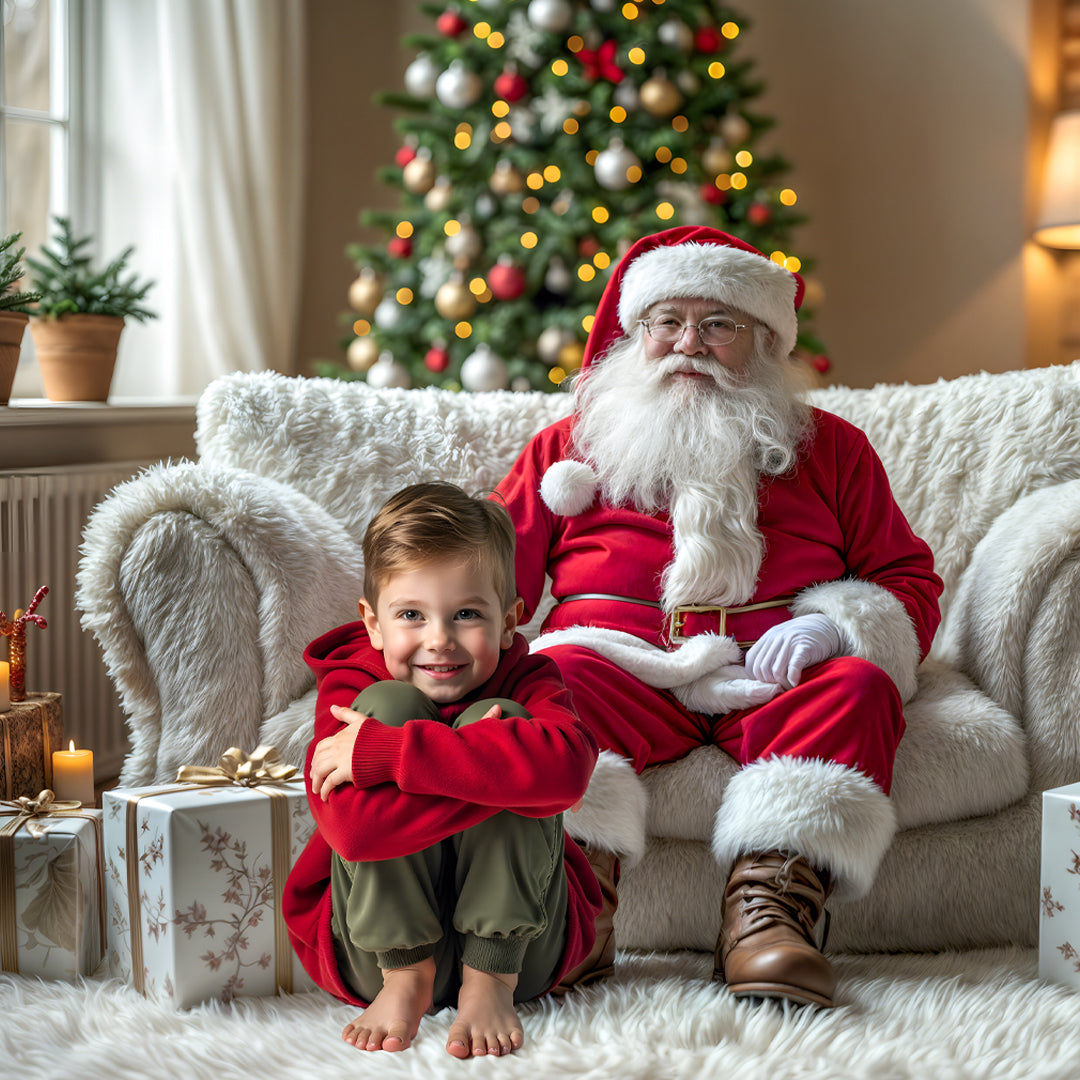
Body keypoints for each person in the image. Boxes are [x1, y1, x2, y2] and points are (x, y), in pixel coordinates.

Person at [495, 225, 944, 1009]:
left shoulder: (832, 449)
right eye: (667, 322)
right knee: (552, 679)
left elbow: (904, 576)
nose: (687, 345)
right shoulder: (567, 449)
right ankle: (573, 913)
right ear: (637, 337)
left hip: (774, 675)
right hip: (619, 666)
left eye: (718, 325)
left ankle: (768, 921)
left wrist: (832, 626)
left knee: (859, 687)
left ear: (765, 342)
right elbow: (491, 579)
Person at [282, 481, 601, 1058]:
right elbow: (357, 831)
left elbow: (570, 774)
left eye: (466, 614)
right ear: (372, 622)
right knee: (393, 708)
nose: (439, 640)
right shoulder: (349, 690)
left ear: (509, 622)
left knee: (496, 723)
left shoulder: (530, 680)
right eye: (410, 614)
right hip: (369, 954)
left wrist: (394, 757)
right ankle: (406, 975)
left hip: (523, 952)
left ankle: (488, 981)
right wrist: (507, 774)